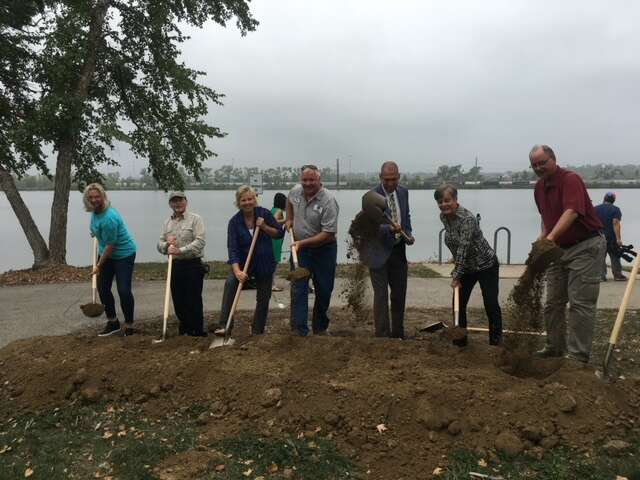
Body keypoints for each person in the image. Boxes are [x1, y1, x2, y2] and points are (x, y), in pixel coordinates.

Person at [529, 144, 605, 363]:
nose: (539, 167)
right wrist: (542, 239)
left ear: (553, 159)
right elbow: (546, 218)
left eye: (542, 162)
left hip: (585, 247)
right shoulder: (539, 188)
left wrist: (549, 239)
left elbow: (570, 212)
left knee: (580, 304)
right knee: (553, 302)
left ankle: (578, 356)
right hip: (558, 250)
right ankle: (554, 347)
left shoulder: (570, 179)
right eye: (534, 165)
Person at [435, 184, 503, 346]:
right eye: (440, 201)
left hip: (486, 265)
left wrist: (456, 276)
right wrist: (459, 270)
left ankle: (495, 342)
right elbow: (455, 246)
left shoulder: (467, 219)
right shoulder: (444, 217)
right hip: (466, 267)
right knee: (458, 303)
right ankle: (460, 341)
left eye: (447, 200)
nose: (444, 204)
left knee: (490, 302)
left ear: (456, 200)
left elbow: (463, 248)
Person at [215, 186, 284, 335]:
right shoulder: (234, 222)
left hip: (264, 261)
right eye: (243, 200)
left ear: (255, 199)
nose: (247, 202)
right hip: (242, 263)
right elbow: (232, 248)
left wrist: (264, 226)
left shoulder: (264, 214)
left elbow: (279, 233)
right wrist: (237, 271)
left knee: (264, 297)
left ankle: (257, 330)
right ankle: (224, 326)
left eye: (250, 199)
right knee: (231, 283)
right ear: (238, 202)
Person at [359, 161, 414, 338]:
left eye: (394, 179)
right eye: (387, 179)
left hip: (398, 250)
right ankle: (382, 335)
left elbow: (406, 216)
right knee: (381, 295)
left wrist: (408, 232)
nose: (390, 183)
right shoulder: (371, 197)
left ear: (399, 176)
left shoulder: (404, 192)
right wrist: (388, 229)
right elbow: (368, 227)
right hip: (377, 251)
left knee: (399, 294)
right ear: (380, 177)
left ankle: (398, 333)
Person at [286, 165, 339, 336]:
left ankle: (320, 327)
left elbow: (329, 234)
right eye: (304, 180)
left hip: (324, 250)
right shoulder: (295, 191)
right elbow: (288, 202)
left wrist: (303, 243)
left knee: (323, 289)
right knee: (298, 287)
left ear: (319, 180)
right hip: (300, 251)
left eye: (311, 180)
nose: (307, 183)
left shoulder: (329, 201)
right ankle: (300, 329)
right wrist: (289, 218)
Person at [84, 183, 137, 337]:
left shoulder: (110, 217)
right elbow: (97, 230)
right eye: (91, 197)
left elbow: (111, 245)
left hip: (123, 254)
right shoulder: (95, 212)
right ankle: (113, 322)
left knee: (123, 290)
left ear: (103, 197)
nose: (94, 200)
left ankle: (129, 324)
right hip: (106, 252)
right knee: (103, 288)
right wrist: (95, 232)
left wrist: (98, 265)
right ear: (87, 199)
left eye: (97, 196)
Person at [157, 191, 207, 336]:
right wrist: (167, 245)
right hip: (175, 266)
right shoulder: (167, 223)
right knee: (178, 299)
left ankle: (197, 330)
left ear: (186, 201)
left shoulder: (195, 219)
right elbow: (160, 243)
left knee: (194, 299)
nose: (177, 204)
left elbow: (200, 241)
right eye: (174, 201)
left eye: (180, 200)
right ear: (170, 204)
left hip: (193, 264)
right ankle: (184, 329)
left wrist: (180, 250)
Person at [595, 192, 626, 282]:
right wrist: (618, 239)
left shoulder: (595, 209)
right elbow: (615, 223)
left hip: (599, 236)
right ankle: (617, 275)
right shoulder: (615, 209)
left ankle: (601, 276)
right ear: (613, 200)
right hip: (611, 237)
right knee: (615, 256)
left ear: (604, 198)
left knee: (600, 257)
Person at [270, 192, 287, 292]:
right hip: (275, 240)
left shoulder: (273, 209)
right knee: (274, 262)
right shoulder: (279, 211)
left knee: (272, 262)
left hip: (272, 238)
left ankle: (270, 283)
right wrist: (287, 220)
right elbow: (275, 221)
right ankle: (272, 285)